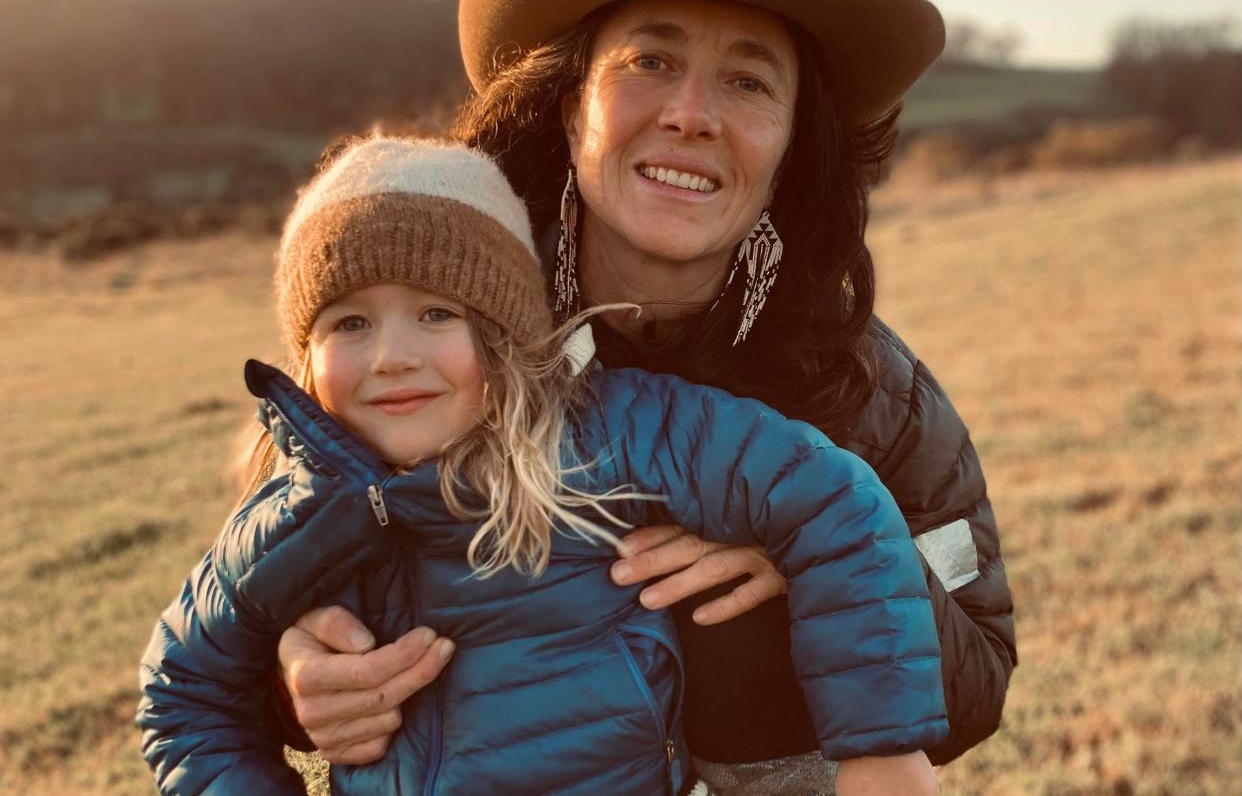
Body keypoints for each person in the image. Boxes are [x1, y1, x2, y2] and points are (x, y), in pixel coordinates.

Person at [277, 0, 1018, 794]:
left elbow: (980, 672)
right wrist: (295, 673)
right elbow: (267, 579)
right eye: (651, 61)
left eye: (749, 81)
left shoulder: (868, 389)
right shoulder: (428, 340)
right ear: (571, 96)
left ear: (796, 140)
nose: (691, 114)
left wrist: (822, 570)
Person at [137, 136, 947, 796]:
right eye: (349, 322)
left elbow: (832, 497)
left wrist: (882, 750)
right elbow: (182, 694)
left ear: (503, 332)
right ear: (305, 360)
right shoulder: (288, 519)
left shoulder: (609, 433)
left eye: (435, 312)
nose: (391, 356)